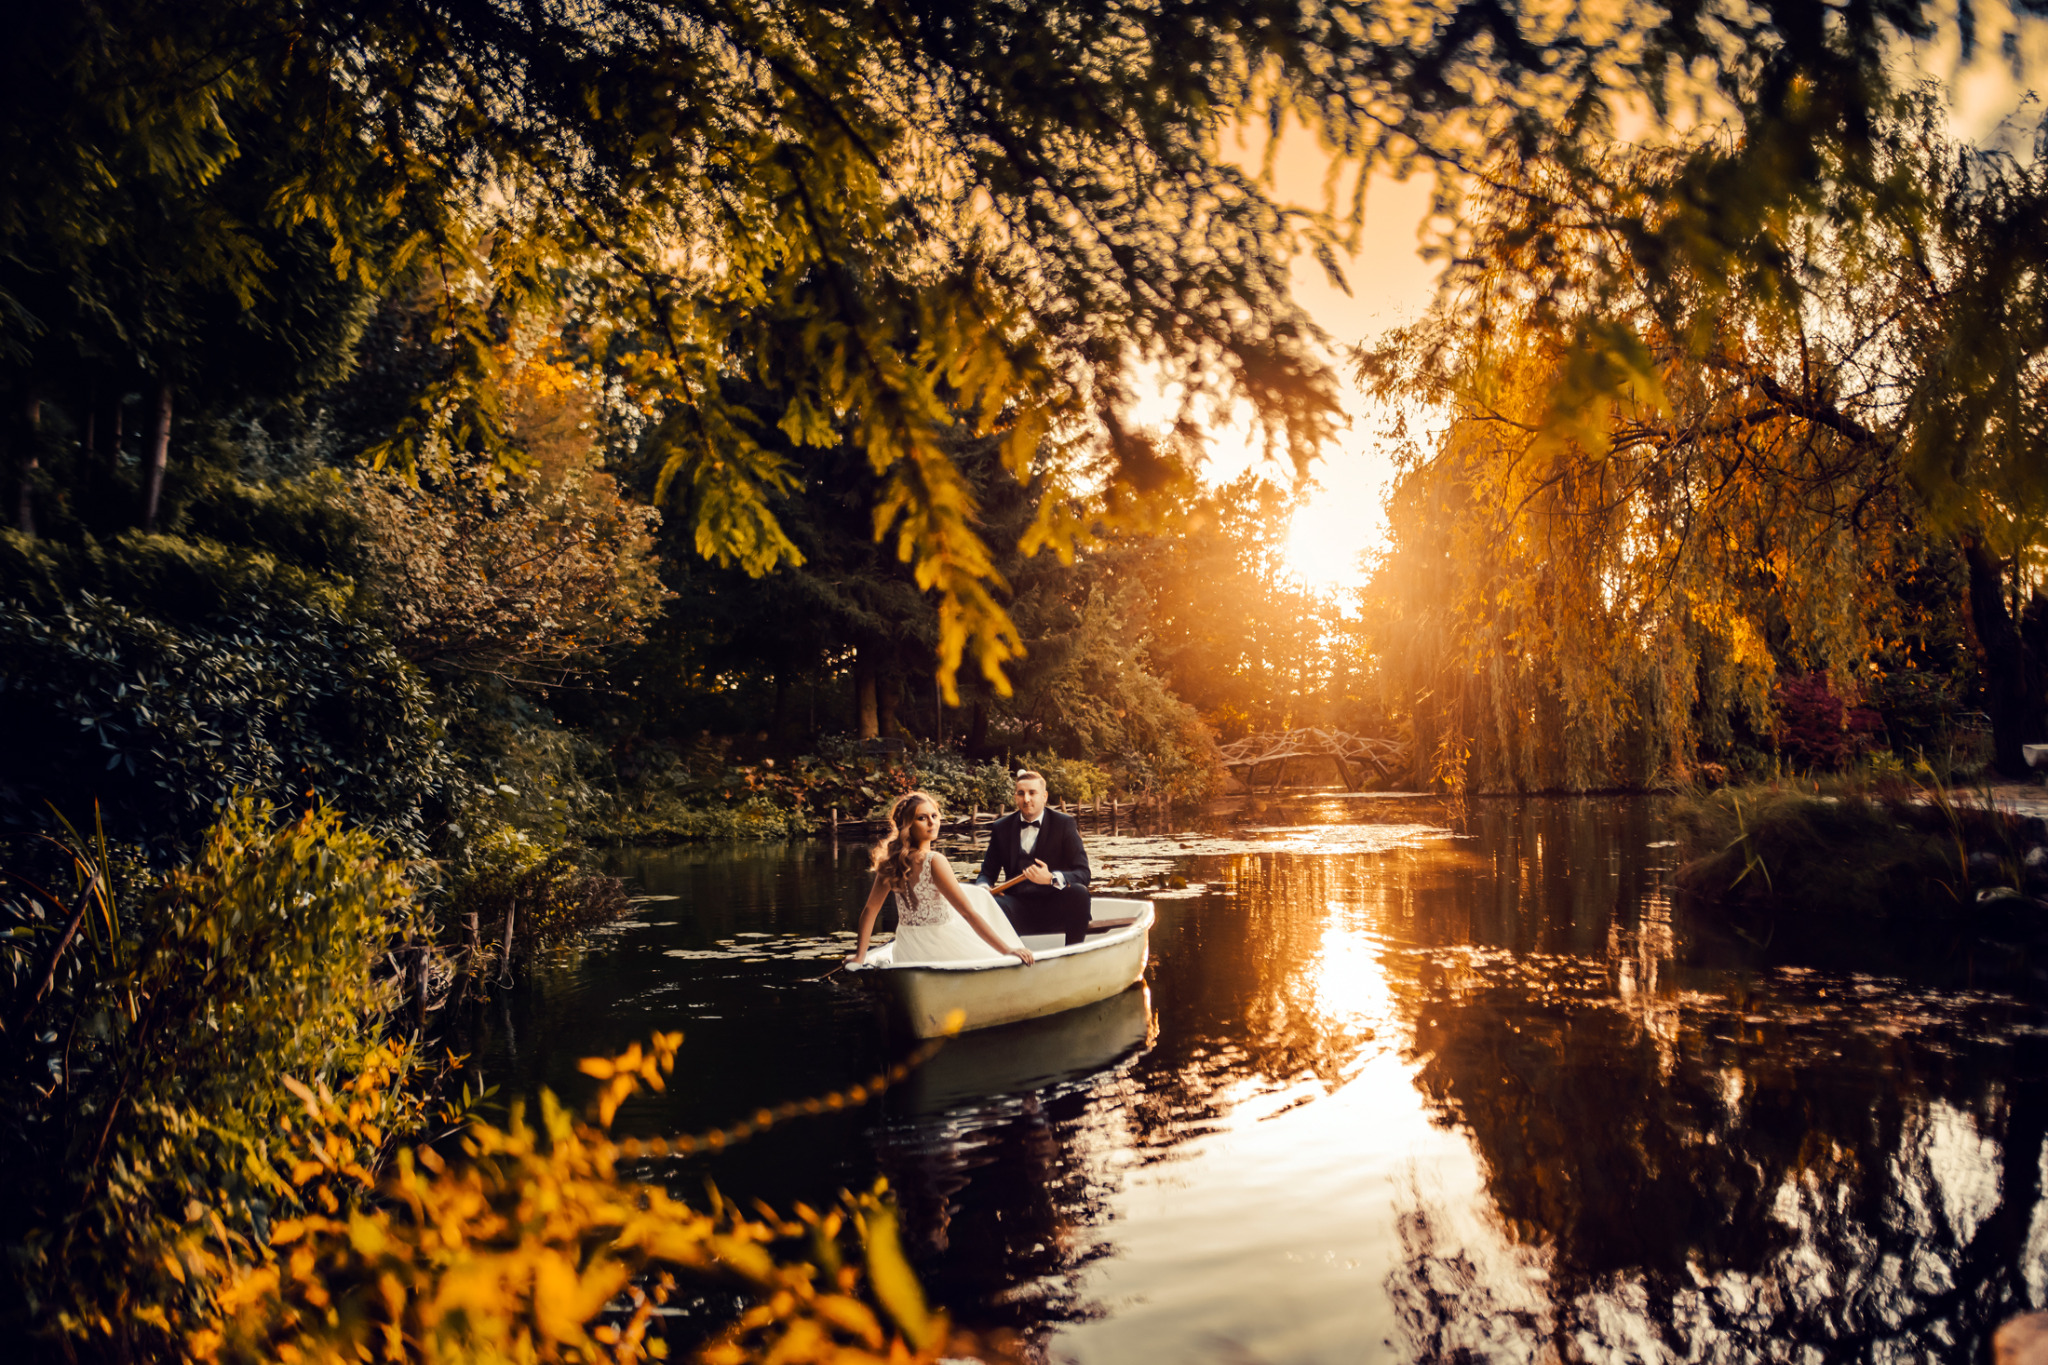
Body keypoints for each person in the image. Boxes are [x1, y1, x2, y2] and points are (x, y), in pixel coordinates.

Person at [850, 792, 1035, 967]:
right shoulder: (934, 860)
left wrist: (860, 956)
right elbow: (968, 913)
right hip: (939, 943)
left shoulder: (890, 861)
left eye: (934, 816)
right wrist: (1007, 950)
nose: (931, 822)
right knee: (986, 937)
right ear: (907, 825)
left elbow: (870, 910)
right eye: (922, 818)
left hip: (907, 947)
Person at [976, 769, 1092, 946]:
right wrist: (983, 888)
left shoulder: (1064, 824)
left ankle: (1073, 952)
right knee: (989, 902)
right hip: (1016, 906)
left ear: (1044, 796)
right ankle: (1007, 955)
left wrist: (1051, 878)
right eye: (1021, 793)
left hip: (1054, 905)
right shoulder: (1002, 828)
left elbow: (1083, 873)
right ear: (1015, 797)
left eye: (1032, 793)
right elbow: (986, 873)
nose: (1026, 799)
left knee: (1079, 893)